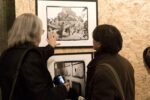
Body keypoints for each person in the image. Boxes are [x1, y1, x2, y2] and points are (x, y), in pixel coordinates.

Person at [0, 13, 69, 100]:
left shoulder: (7, 54)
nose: (40, 35)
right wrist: (63, 89)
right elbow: (43, 97)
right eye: (41, 31)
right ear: (34, 33)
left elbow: (31, 56)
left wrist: (50, 47)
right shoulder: (31, 57)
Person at [85, 24, 135, 100]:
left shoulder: (103, 69)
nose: (93, 41)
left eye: (94, 38)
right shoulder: (126, 63)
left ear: (99, 43)